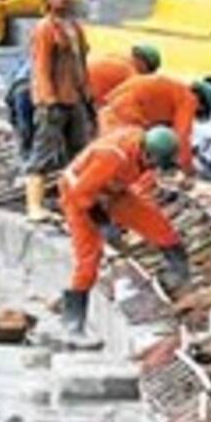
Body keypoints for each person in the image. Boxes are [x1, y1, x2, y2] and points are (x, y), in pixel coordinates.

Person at [58, 126, 191, 336]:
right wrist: (103, 224)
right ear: (146, 153)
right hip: (81, 197)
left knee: (159, 226)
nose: (154, 168)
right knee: (89, 259)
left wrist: (178, 172)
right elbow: (81, 194)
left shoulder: (144, 145)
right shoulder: (112, 158)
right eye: (154, 163)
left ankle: (179, 272)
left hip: (112, 189)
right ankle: (73, 320)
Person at [27, 0, 92, 222]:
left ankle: (72, 202)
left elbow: (81, 65)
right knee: (44, 152)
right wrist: (48, 99)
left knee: (78, 154)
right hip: (53, 101)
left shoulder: (74, 28)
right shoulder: (45, 28)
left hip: (73, 98)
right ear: (47, 0)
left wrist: (87, 93)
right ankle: (34, 205)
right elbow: (41, 67)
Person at [99, 76, 211, 177]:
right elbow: (182, 137)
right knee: (125, 159)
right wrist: (189, 171)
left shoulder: (174, 88)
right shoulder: (189, 99)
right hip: (127, 113)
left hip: (113, 109)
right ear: (202, 105)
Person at [87, 44, 161, 108]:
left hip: (79, 90)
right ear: (144, 65)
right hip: (86, 103)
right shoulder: (131, 75)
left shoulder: (113, 56)